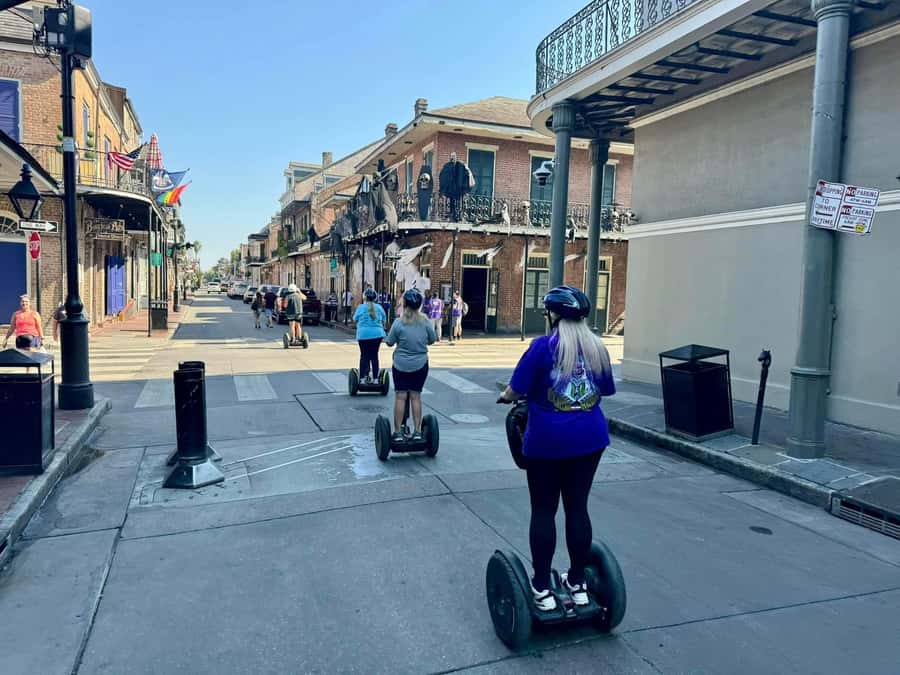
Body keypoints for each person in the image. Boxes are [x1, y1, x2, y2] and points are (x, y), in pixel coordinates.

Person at [496, 286, 616, 612]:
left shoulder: (541, 347)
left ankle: (542, 589)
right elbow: (605, 391)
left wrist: (507, 398)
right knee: (578, 508)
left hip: (547, 443)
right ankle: (577, 583)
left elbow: (514, 390)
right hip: (590, 441)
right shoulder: (597, 349)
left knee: (544, 511)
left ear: (554, 315)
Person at [384, 288, 435, 442]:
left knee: (400, 396)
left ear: (405, 304)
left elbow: (389, 342)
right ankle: (418, 431)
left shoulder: (398, 323)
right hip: (420, 364)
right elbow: (432, 339)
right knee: (415, 396)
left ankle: (398, 432)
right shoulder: (425, 321)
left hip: (400, 365)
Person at [352, 288, 387, 383]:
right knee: (374, 355)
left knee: (364, 356)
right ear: (375, 298)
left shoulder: (361, 307)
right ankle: (375, 379)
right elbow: (384, 320)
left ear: (364, 298)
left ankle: (362, 378)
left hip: (363, 335)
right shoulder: (379, 308)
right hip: (377, 334)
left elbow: (354, 319)